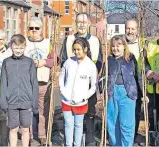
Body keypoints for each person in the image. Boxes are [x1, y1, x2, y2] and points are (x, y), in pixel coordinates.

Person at [59, 12, 103, 146]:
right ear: (75, 23)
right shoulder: (69, 39)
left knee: (89, 113)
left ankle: (88, 140)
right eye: (79, 22)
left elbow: (99, 61)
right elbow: (63, 61)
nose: (82, 25)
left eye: (84, 22)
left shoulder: (95, 40)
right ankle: (70, 142)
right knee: (70, 120)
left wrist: (90, 80)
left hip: (88, 85)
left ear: (88, 24)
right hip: (71, 87)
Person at [0, 34, 39, 147]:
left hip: (26, 102)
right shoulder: (6, 62)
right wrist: (3, 101)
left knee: (25, 129)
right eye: (16, 47)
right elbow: (3, 83)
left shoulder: (29, 62)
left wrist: (34, 102)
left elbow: (34, 83)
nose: (18, 50)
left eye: (21, 48)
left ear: (25, 47)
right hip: (11, 102)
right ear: (11, 46)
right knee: (13, 129)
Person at [105, 35, 141, 146]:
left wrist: (143, 94)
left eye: (118, 46)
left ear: (124, 46)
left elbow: (138, 76)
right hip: (112, 93)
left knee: (126, 124)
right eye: (113, 46)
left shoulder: (130, 58)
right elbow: (103, 77)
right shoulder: (109, 60)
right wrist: (102, 91)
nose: (115, 48)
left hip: (127, 93)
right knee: (112, 123)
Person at [24, 16, 55, 145]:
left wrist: (43, 62)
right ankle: (29, 135)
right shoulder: (23, 42)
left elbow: (54, 60)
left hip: (43, 82)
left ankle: (42, 135)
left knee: (43, 111)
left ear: (41, 29)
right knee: (28, 110)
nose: (34, 30)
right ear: (28, 29)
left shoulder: (47, 43)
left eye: (37, 28)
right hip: (27, 83)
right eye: (31, 28)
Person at [123, 19, 144, 143]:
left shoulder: (142, 44)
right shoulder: (120, 43)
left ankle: (134, 134)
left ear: (137, 30)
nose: (130, 31)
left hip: (137, 82)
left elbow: (146, 62)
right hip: (122, 83)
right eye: (128, 28)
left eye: (132, 29)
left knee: (136, 111)